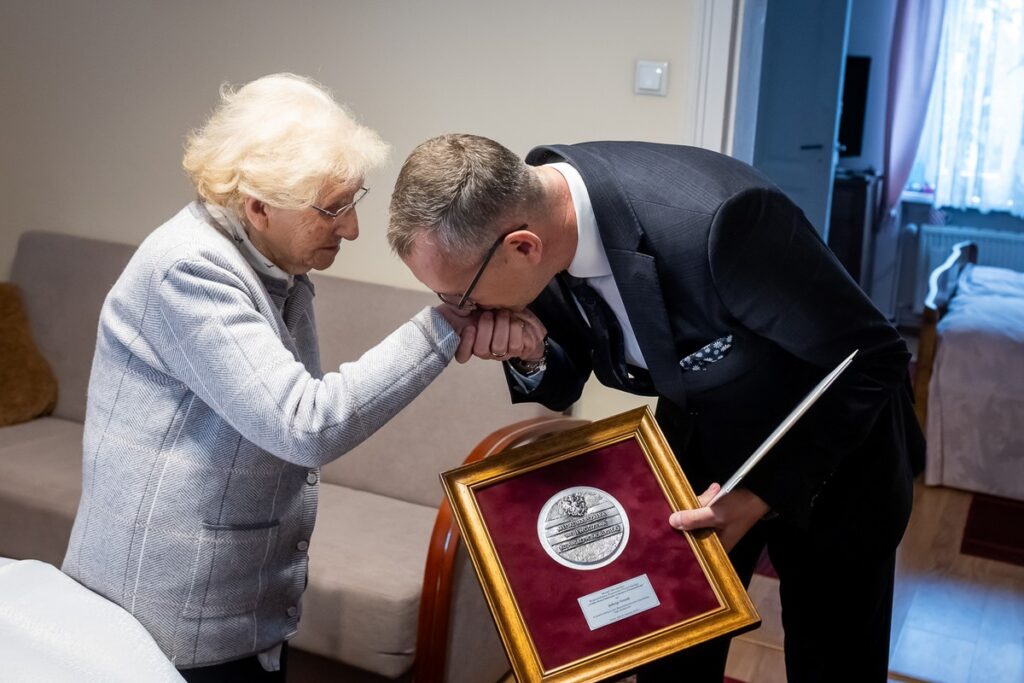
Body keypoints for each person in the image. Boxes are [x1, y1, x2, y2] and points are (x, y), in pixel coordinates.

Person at [388, 134, 925, 682]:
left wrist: (759, 496)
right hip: (701, 454)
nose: (463, 313)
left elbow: (873, 357)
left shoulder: (723, 222)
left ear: (523, 247)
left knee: (833, 664)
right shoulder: (529, 216)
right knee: (669, 660)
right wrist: (531, 354)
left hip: (837, 459)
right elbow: (570, 363)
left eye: (462, 297)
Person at [61, 75, 474, 681]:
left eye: (354, 199)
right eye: (335, 209)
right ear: (258, 206)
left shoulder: (271, 261)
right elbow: (304, 425)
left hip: (238, 616)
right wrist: (443, 328)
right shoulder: (189, 269)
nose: (353, 228)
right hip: (165, 623)